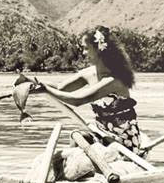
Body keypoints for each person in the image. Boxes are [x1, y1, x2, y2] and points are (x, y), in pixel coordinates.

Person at [41, 25, 144, 155]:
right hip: (101, 134)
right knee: (77, 137)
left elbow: (78, 100)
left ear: (99, 50)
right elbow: (61, 88)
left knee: (81, 140)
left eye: (86, 49)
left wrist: (44, 90)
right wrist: (33, 84)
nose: (83, 53)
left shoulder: (114, 80)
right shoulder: (88, 73)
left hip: (123, 141)